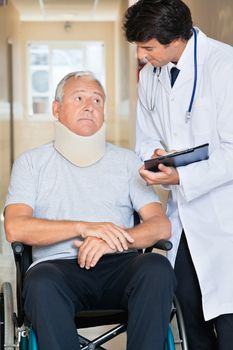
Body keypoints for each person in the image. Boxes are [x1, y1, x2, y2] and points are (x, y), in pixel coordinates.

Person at [4, 71, 176, 350]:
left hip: (119, 266)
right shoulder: (31, 163)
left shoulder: (127, 161)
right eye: (79, 98)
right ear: (56, 109)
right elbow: (15, 227)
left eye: (97, 100)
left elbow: (159, 226)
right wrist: (84, 228)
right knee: (40, 283)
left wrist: (109, 241)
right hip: (57, 269)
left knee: (156, 267)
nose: (90, 106)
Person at [123, 0, 233, 349]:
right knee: (188, 310)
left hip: (222, 213)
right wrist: (155, 156)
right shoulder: (150, 76)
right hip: (183, 216)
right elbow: (146, 137)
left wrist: (182, 178)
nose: (142, 55)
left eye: (148, 47)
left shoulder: (223, 65)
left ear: (175, 40)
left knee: (228, 320)